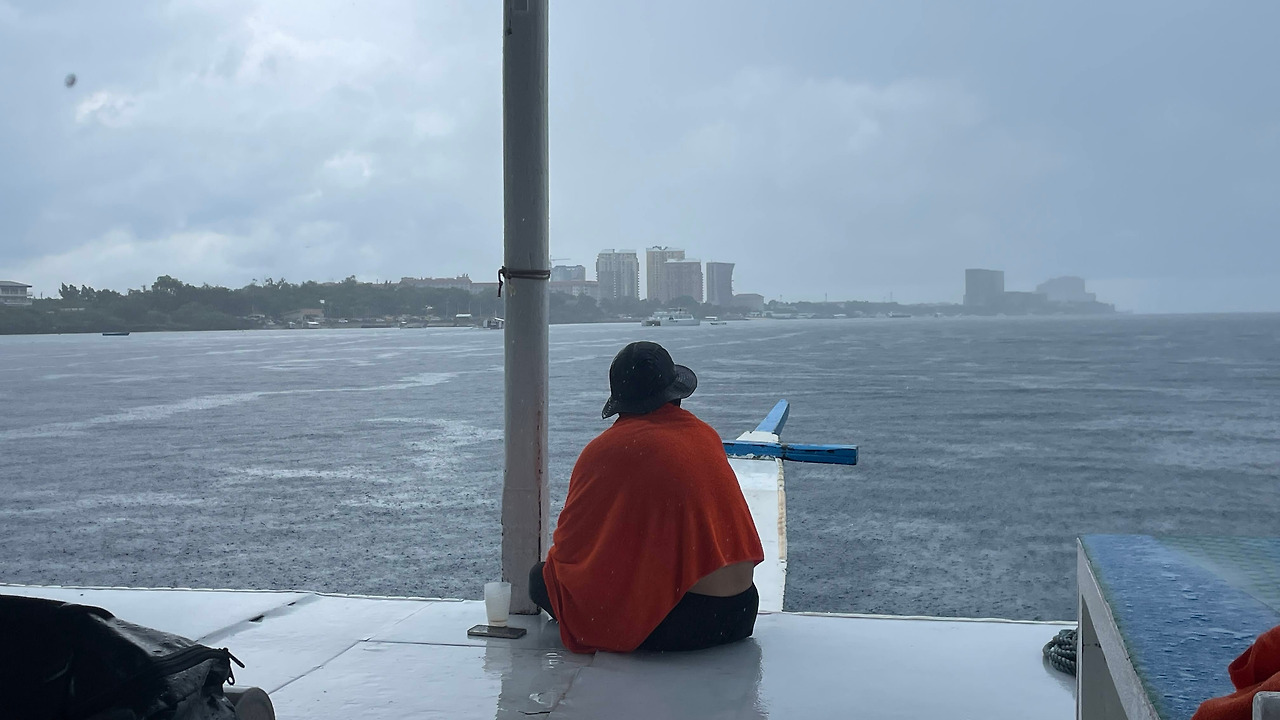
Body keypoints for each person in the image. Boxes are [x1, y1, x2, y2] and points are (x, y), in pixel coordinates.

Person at [529, 341, 765, 653]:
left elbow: (570, 549)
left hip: (686, 623)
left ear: (620, 403)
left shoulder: (606, 450)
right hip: (742, 610)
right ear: (676, 394)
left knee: (540, 579)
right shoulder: (704, 434)